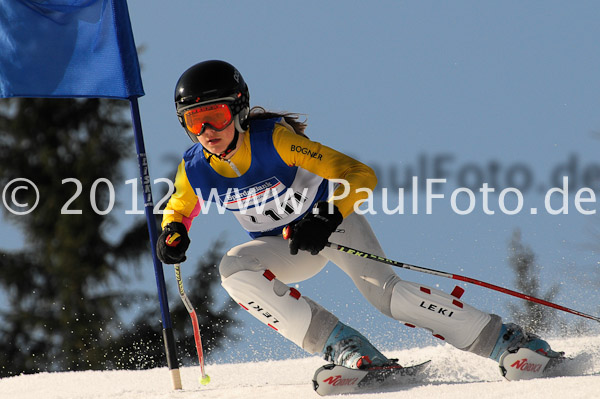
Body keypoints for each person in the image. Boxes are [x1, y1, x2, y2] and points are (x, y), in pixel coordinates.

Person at [156, 60, 562, 375]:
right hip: (287, 248)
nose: (207, 129)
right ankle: (348, 349)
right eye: (195, 121)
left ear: (239, 108)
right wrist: (173, 231)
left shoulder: (276, 141)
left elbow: (360, 175)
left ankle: (508, 341)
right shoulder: (195, 167)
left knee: (390, 298)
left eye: (217, 116)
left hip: (333, 228)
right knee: (233, 269)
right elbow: (180, 204)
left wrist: (326, 215)